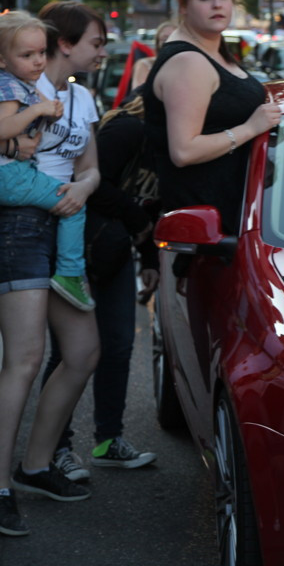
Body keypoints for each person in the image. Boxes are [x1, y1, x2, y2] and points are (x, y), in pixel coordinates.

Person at [0, 1, 106, 537]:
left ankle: (35, 466)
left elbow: (89, 165)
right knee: (23, 358)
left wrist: (82, 188)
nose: (103, 51)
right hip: (18, 225)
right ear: (64, 43)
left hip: (63, 224)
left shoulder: (82, 97)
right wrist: (17, 143)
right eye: (94, 41)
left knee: (83, 351)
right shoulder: (12, 86)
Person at [43, 90, 161, 481]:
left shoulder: (174, 141)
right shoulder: (129, 129)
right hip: (78, 248)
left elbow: (154, 204)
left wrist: (149, 258)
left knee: (119, 345)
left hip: (116, 252)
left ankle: (108, 441)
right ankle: (55, 448)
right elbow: (93, 184)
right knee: (67, 354)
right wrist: (137, 223)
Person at [143, 0, 281, 238]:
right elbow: (183, 151)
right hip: (212, 233)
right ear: (183, 5)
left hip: (244, 218)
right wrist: (249, 129)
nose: (217, 5)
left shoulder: (212, 51)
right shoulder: (188, 62)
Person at [0, 11, 94, 311]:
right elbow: (3, 127)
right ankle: (70, 273)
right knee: (73, 207)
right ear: (3, 60)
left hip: (16, 172)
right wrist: (37, 111)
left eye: (41, 52)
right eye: (27, 55)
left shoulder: (19, 82)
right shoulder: (9, 87)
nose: (39, 61)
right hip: (11, 176)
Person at [130, 20, 178, 89]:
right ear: (157, 43)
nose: (169, 42)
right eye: (165, 39)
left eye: (174, 38)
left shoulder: (186, 66)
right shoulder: (145, 64)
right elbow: (138, 95)